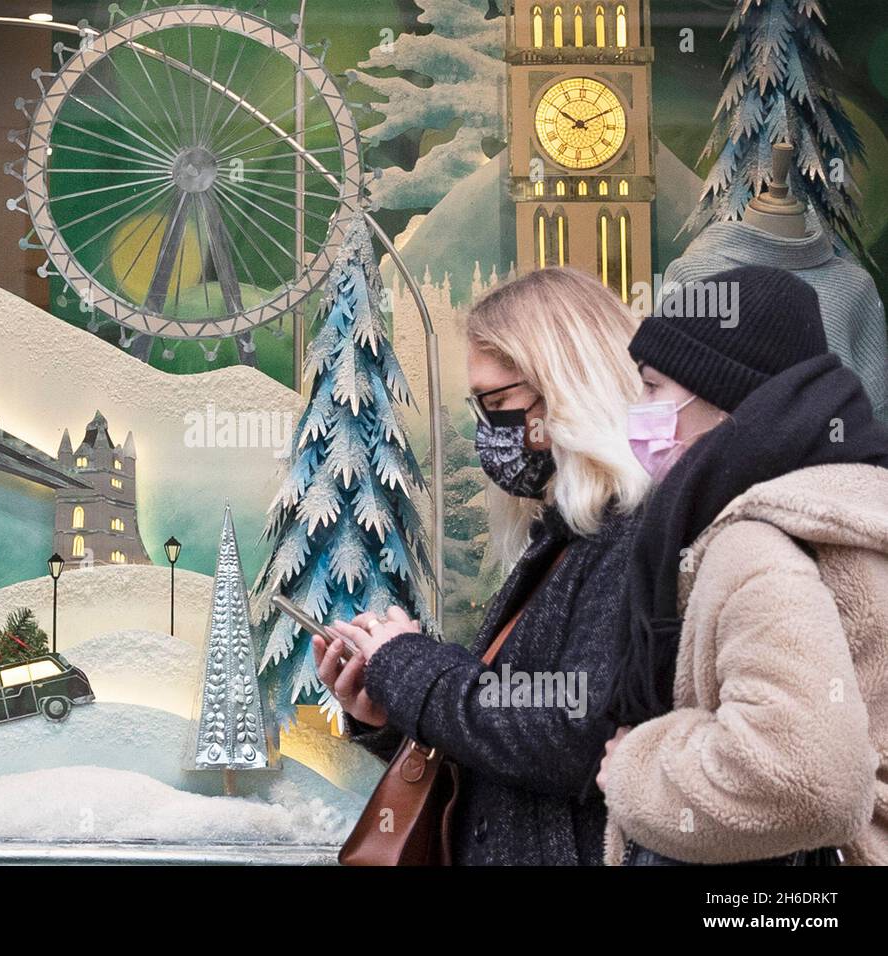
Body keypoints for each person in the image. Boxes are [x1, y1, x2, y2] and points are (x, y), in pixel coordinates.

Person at [316, 267, 649, 865]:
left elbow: (574, 736)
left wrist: (410, 666)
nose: (488, 429)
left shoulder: (630, 538)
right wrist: (391, 710)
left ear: (572, 385)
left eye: (498, 402)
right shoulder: (567, 541)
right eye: (480, 406)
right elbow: (509, 738)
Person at [597, 265, 888, 865]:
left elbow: (809, 782)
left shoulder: (752, 542)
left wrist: (634, 767)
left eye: (652, 387)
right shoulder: (844, 500)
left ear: (724, 398)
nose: (639, 409)